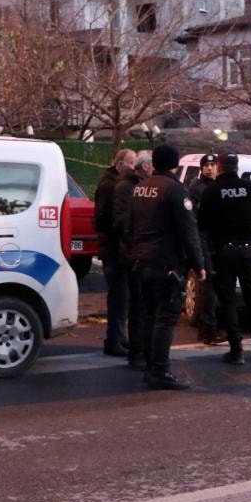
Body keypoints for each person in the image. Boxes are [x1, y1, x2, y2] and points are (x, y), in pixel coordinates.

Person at [130, 144, 205, 390]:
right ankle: (160, 371)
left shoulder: (140, 188)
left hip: (141, 261)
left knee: (149, 316)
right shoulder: (175, 190)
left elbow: (130, 224)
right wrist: (199, 264)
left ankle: (149, 367)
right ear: (174, 164)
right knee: (165, 319)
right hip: (166, 264)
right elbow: (188, 231)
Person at [199, 151, 251, 364]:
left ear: (219, 166)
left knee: (227, 301)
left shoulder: (212, 191)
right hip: (247, 251)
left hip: (223, 252)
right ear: (236, 166)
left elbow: (202, 224)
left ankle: (236, 350)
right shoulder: (250, 188)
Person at [94, 149, 135, 357]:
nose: (133, 167)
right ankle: (114, 340)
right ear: (119, 164)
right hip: (113, 249)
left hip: (114, 247)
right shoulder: (110, 186)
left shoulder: (113, 183)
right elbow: (103, 217)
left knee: (122, 296)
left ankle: (118, 336)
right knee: (118, 296)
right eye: (131, 163)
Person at [113, 151, 151, 369]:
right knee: (137, 304)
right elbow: (123, 222)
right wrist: (136, 244)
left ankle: (140, 349)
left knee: (141, 304)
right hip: (133, 253)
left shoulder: (138, 186)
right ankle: (137, 352)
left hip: (138, 252)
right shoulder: (126, 187)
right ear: (145, 167)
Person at [188, 153, 223, 345]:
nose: (209, 168)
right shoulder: (196, 188)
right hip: (204, 241)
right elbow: (194, 218)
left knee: (213, 288)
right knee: (207, 287)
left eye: (212, 165)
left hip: (215, 242)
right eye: (206, 165)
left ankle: (211, 327)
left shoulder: (218, 186)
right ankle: (207, 329)